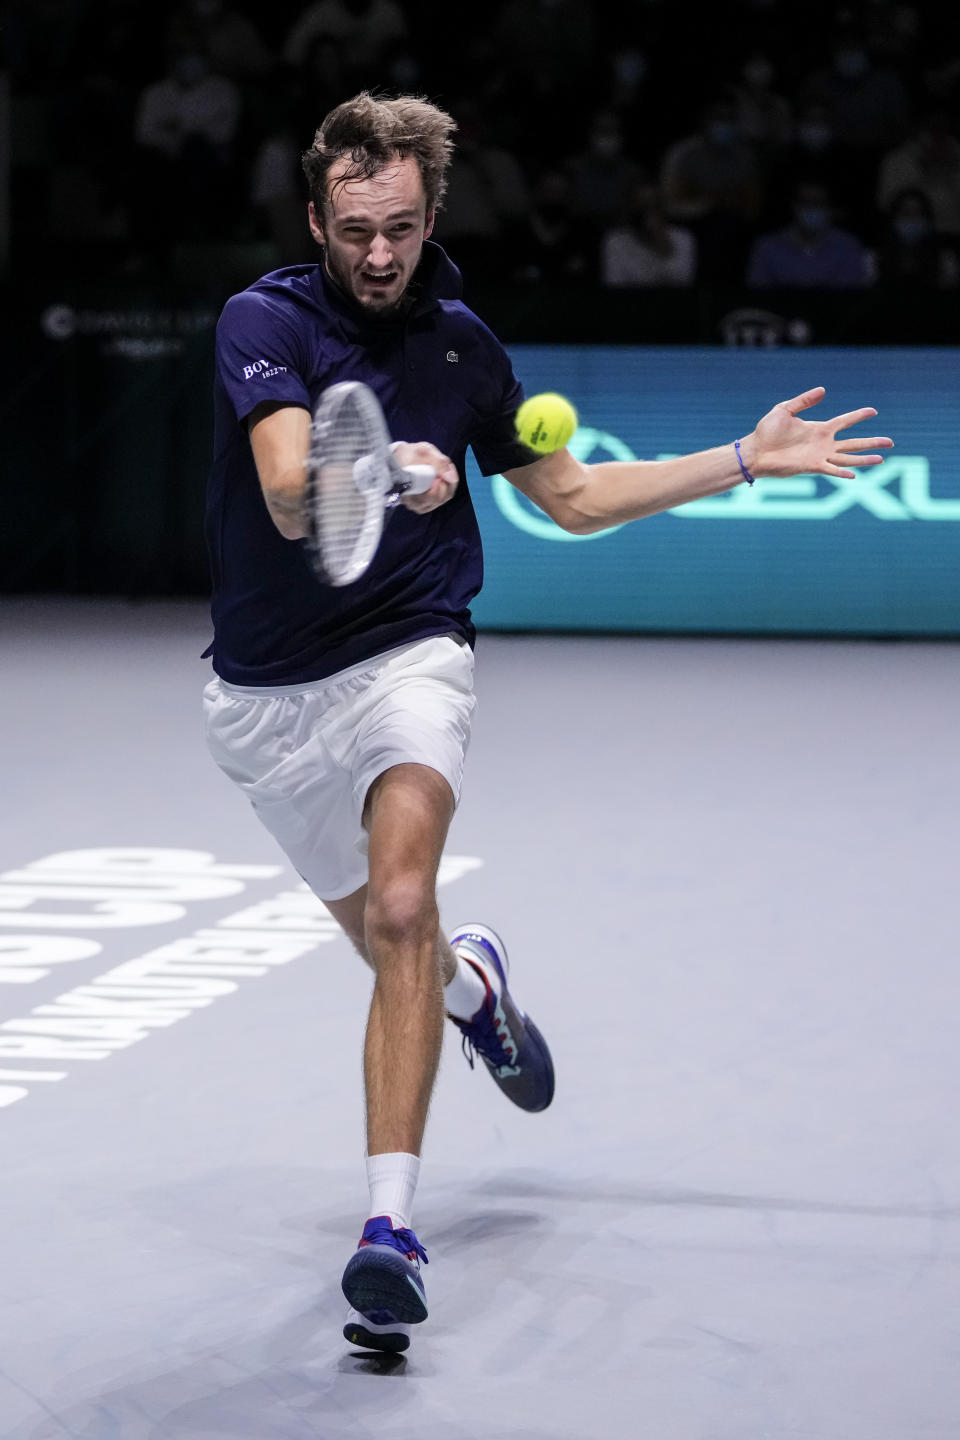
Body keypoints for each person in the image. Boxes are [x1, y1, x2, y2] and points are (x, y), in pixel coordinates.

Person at [201, 90, 893, 1355]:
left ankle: (389, 1233)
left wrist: (739, 457)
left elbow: (569, 499)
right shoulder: (265, 319)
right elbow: (295, 493)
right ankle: (476, 993)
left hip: (410, 656)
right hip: (262, 707)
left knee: (404, 905)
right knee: (397, 951)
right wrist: (383, 470)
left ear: (429, 217)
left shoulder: (464, 350)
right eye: (353, 227)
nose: (376, 252)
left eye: (400, 226)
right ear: (317, 217)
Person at [746, 180, 872, 289]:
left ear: (830, 209)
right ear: (794, 206)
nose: (812, 208)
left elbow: (853, 295)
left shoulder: (848, 247)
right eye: (806, 202)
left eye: (818, 203)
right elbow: (757, 295)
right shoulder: (766, 248)